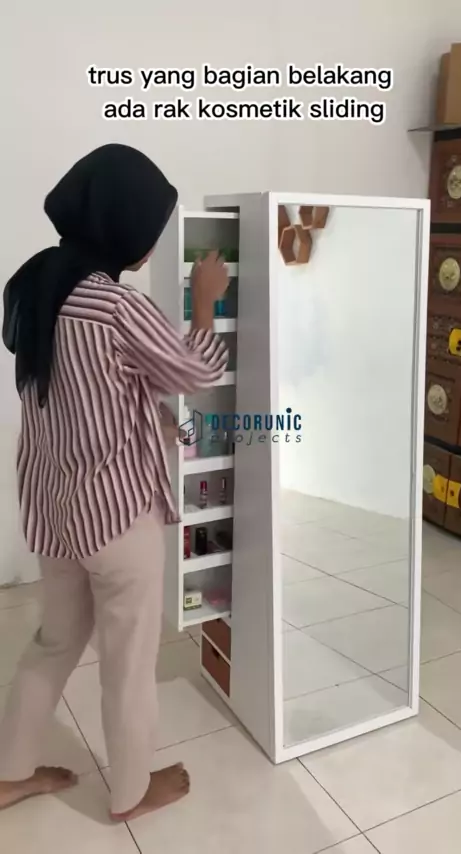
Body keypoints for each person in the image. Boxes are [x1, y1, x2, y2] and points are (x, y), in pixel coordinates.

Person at [0, 143, 229, 820]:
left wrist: (146, 415)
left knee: (54, 642)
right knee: (128, 661)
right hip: (118, 517)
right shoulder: (116, 305)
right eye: (151, 226)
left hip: (54, 510)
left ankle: (8, 773)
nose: (153, 242)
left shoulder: (35, 288)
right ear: (123, 226)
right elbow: (196, 371)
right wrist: (205, 302)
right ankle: (130, 792)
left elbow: (86, 389)